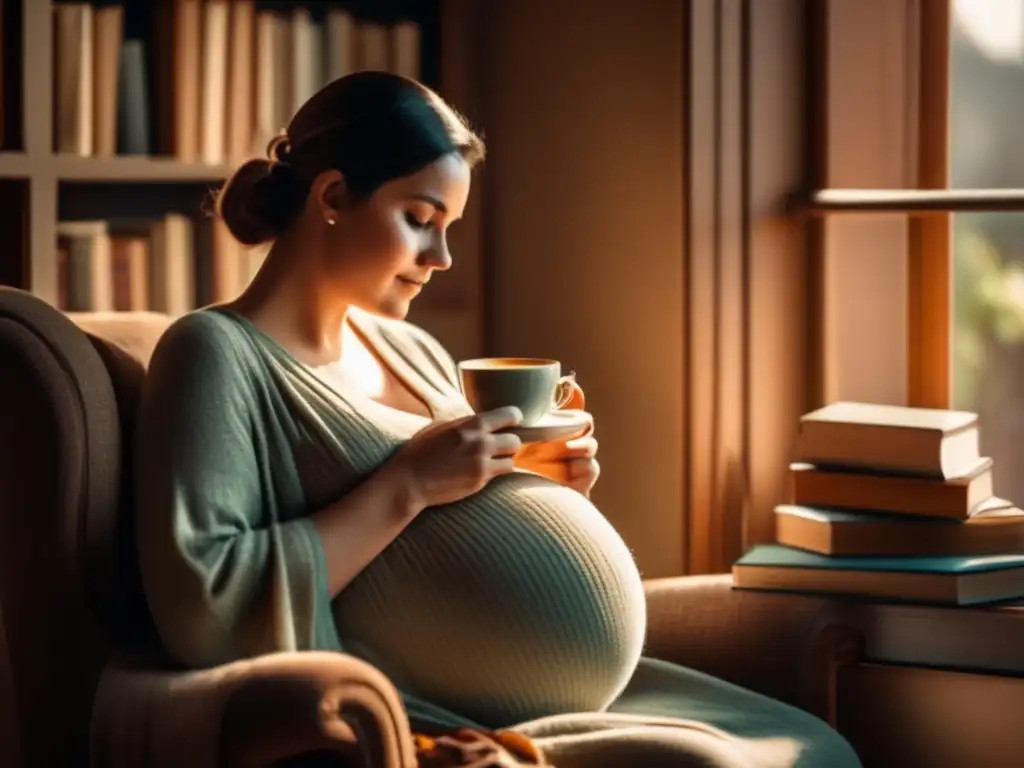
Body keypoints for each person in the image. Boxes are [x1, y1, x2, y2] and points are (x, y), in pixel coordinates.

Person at [134, 72, 860, 767]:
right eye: (419, 219)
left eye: (448, 226)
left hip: (585, 694)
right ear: (332, 195)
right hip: (436, 715)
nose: (442, 256)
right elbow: (202, 599)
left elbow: (447, 536)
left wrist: (533, 484)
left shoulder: (411, 348)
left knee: (813, 749)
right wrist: (406, 485)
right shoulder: (215, 354)